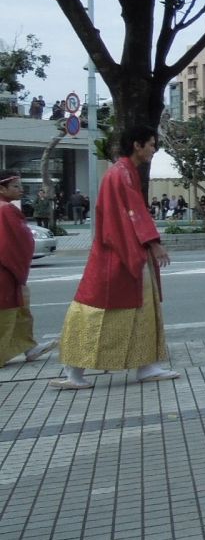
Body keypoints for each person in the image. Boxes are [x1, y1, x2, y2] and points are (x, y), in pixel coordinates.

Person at [51, 124, 175, 389]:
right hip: (119, 255)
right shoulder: (121, 175)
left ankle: (146, 366)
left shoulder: (123, 172)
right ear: (137, 145)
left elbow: (131, 214)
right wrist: (153, 244)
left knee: (138, 311)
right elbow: (131, 214)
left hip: (125, 252)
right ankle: (75, 372)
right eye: (151, 144)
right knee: (99, 312)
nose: (154, 149)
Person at [0, 170, 58, 365]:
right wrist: (19, 267)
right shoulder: (6, 210)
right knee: (8, 312)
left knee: (20, 309)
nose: (21, 190)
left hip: (7, 269)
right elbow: (12, 243)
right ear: (2, 188)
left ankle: (29, 346)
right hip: (6, 270)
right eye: (16, 186)